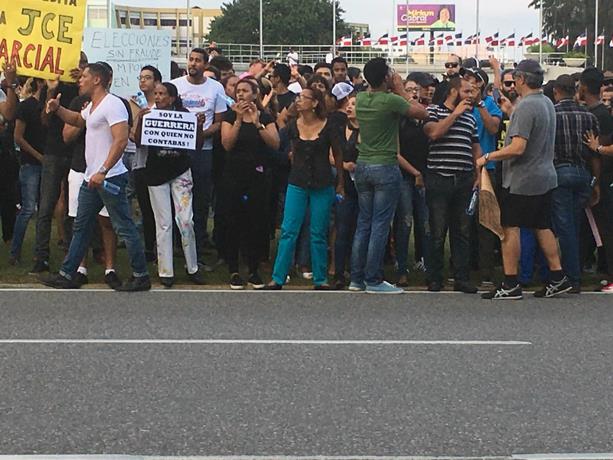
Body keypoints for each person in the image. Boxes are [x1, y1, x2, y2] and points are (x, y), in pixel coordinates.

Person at [42, 62, 150, 291]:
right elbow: (78, 121)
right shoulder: (92, 106)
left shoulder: (113, 105)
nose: (79, 80)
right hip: (91, 178)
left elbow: (121, 140)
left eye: (84, 77)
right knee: (81, 226)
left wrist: (103, 170)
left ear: (97, 80)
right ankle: (67, 274)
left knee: (123, 226)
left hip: (109, 178)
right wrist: (57, 108)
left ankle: (141, 275)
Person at [477, 59, 572, 300]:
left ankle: (510, 282)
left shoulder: (527, 106)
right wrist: (511, 111)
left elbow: (518, 147)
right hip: (545, 175)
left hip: (523, 178)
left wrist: (488, 156)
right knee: (542, 226)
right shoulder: (547, 102)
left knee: (509, 228)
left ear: (520, 80)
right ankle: (558, 276)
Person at [349, 58, 428, 294]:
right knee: (380, 224)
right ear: (386, 78)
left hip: (363, 164)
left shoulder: (361, 99)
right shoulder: (391, 100)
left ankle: (356, 278)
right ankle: (373, 278)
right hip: (385, 165)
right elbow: (422, 112)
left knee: (364, 223)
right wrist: (401, 89)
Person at [262, 88, 344, 290]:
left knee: (318, 232)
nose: (298, 101)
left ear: (315, 103)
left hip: (322, 183)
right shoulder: (292, 126)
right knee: (289, 230)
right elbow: (278, 141)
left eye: (303, 98)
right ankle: (278, 277)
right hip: (297, 182)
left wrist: (340, 182)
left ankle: (320, 278)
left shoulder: (329, 126)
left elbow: (338, 155)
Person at [134, 82, 206, 288]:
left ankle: (192, 266)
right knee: (163, 223)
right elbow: (139, 142)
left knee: (186, 220)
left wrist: (198, 126)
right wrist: (140, 120)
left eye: (162, 94)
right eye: (156, 94)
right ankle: (165, 270)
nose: (158, 97)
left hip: (180, 172)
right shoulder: (150, 114)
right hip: (156, 174)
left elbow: (197, 145)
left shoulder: (184, 114)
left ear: (172, 98)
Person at [422, 77, 481, 294]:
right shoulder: (434, 111)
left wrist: (478, 172)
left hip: (464, 178)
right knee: (437, 230)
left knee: (463, 231)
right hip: (439, 177)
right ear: (454, 92)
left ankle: (461, 277)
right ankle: (434, 276)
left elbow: (475, 146)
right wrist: (455, 114)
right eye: (466, 91)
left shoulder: (471, 118)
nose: (471, 95)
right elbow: (434, 133)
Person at [220, 78, 280, 289]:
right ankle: (234, 270)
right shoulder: (229, 115)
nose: (241, 95)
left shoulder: (264, 116)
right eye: (238, 91)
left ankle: (253, 269)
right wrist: (238, 119)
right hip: (234, 176)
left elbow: (275, 143)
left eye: (245, 91)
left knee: (255, 223)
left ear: (255, 94)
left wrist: (256, 123)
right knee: (233, 222)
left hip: (258, 176)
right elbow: (227, 144)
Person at [171, 48, 227, 262]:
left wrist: (200, 134)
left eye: (198, 61)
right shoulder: (176, 85)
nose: (193, 64)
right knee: (177, 199)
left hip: (204, 152)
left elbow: (220, 121)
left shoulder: (216, 88)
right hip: (178, 152)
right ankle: (177, 245)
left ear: (205, 64)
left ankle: (199, 244)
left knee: (201, 201)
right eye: (191, 60)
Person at [549, 74, 600, 293]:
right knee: (576, 224)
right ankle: (575, 269)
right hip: (582, 173)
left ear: (556, 91)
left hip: (559, 172)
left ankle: (571, 276)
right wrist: (595, 181)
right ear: (575, 90)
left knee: (565, 227)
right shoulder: (588, 116)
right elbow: (595, 152)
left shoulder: (553, 114)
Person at [462, 67, 503, 285]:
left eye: (472, 80)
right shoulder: (459, 105)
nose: (468, 84)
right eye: (465, 79)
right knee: (462, 223)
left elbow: (493, 128)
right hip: (462, 168)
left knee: (485, 223)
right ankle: (464, 268)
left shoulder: (488, 104)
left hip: (487, 170)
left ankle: (486, 272)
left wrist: (479, 104)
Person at [394, 74, 430, 287]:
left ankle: (426, 265)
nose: (414, 93)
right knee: (404, 222)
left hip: (425, 176)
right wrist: (414, 172)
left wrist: (422, 174)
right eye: (409, 89)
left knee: (425, 224)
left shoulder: (427, 115)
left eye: (416, 89)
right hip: (404, 175)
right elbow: (395, 152)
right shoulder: (399, 118)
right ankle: (401, 268)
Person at [580, 67, 613, 293]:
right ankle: (599, 268)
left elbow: (601, 152)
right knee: (594, 228)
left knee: (607, 229)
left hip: (604, 178)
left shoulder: (600, 115)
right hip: (599, 177)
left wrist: (597, 182)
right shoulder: (598, 113)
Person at [9, 78, 47, 267]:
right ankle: (15, 252)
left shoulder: (49, 106)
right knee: (28, 209)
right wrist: (38, 156)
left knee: (43, 210)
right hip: (30, 164)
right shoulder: (25, 107)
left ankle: (40, 254)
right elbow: (18, 137)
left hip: (45, 163)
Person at [128, 65, 161, 264]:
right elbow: (132, 135)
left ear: (157, 81)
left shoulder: (163, 105)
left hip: (161, 163)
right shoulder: (136, 104)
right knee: (146, 208)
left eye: (147, 77)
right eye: (140, 77)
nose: (143, 81)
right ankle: (149, 247)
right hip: (141, 161)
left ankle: (164, 247)